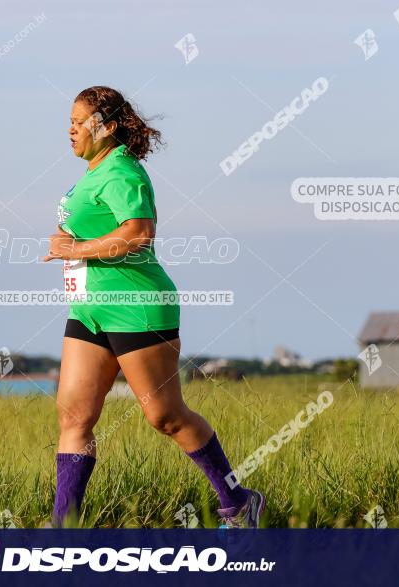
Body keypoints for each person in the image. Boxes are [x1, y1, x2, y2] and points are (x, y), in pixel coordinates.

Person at [43, 85, 265, 528]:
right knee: (75, 415)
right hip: (89, 309)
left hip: (137, 305)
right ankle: (63, 528)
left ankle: (238, 502)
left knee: (164, 416)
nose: (69, 130)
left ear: (104, 126)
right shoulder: (93, 171)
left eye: (77, 121)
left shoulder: (123, 172)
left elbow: (139, 234)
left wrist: (78, 249)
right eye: (68, 121)